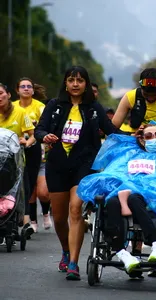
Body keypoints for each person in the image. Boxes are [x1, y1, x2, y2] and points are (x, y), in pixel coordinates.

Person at [34, 66, 126, 281]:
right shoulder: (54, 106)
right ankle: (66, 251)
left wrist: (138, 138)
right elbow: (39, 129)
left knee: (75, 210)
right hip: (57, 164)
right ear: (65, 83)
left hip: (84, 164)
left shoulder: (94, 108)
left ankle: (74, 263)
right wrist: (45, 136)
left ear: (86, 84)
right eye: (71, 80)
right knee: (59, 218)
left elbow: (112, 130)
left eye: (80, 80)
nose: (75, 84)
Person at [77, 122, 156, 274]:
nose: (154, 138)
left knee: (134, 198)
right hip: (123, 191)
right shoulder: (129, 153)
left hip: (152, 196)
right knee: (112, 202)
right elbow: (114, 170)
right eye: (149, 136)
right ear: (142, 139)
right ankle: (122, 253)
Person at [14, 78, 52, 232]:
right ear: (17, 90)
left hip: (41, 151)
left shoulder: (40, 107)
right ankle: (32, 221)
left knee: (42, 192)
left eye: (29, 86)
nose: (26, 89)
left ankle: (45, 212)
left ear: (33, 90)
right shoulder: (12, 107)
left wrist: (31, 138)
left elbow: (45, 127)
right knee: (29, 187)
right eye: (22, 86)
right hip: (17, 152)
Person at [0, 83, 36, 237]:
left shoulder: (20, 112)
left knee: (20, 189)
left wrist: (26, 142)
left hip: (13, 161)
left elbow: (33, 134)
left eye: (1, 93)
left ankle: (23, 221)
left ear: (8, 95)